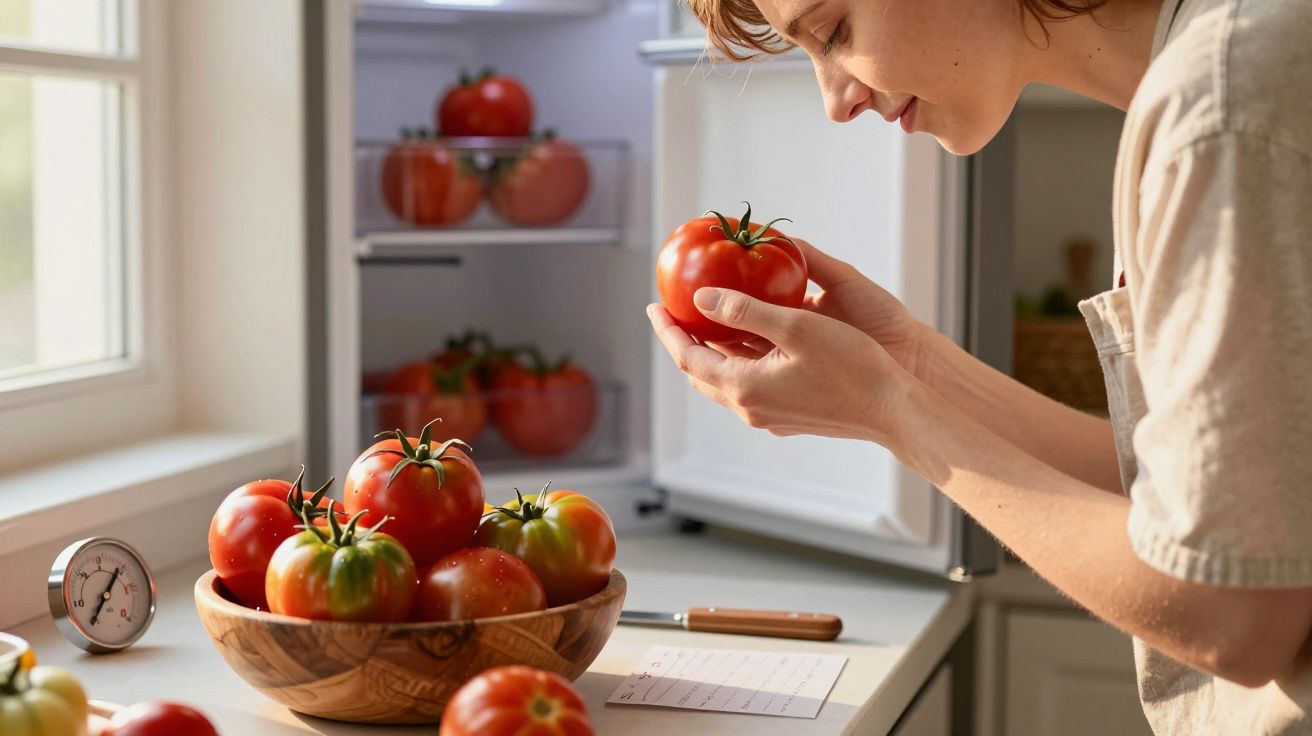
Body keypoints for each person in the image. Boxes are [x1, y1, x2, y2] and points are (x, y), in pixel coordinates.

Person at [645, 0, 1312, 732]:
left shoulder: (1220, 102)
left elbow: (1230, 611)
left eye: (834, 32)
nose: (836, 101)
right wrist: (912, 365)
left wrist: (893, 412)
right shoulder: (1210, 76)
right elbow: (1205, 502)